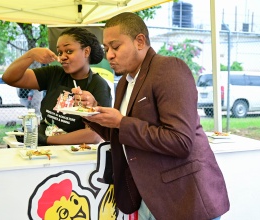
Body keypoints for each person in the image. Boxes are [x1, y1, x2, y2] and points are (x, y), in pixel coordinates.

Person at [76, 12, 230, 219]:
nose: (109, 55)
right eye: (106, 49)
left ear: (139, 41)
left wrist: (122, 122)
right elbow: (122, 136)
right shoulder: (124, 83)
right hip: (148, 195)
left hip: (184, 198)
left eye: (115, 46)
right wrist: (91, 112)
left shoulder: (168, 69)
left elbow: (180, 141)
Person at [2, 27, 112, 145]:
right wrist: (31, 55)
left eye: (69, 51)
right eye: (60, 52)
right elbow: (10, 78)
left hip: (73, 156)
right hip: (42, 152)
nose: (63, 57)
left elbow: (94, 135)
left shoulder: (99, 85)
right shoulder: (54, 74)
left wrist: (45, 140)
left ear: (86, 52)